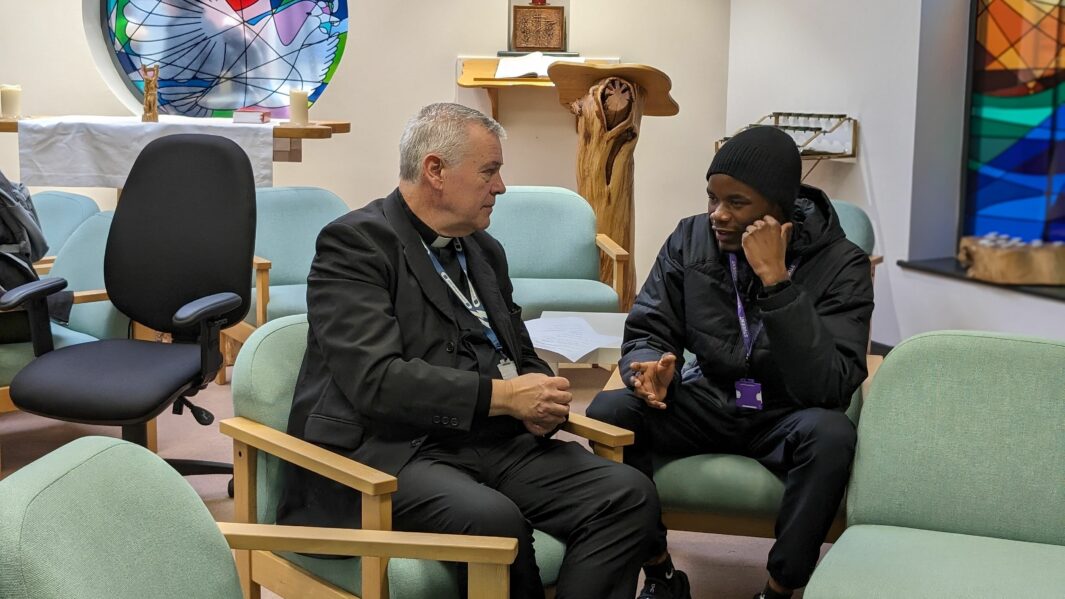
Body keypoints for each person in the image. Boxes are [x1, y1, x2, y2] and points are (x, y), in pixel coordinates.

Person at [276, 102, 660, 599]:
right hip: (392, 451)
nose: (501, 187)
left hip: (492, 439)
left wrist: (541, 393)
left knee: (628, 495)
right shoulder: (355, 245)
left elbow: (518, 349)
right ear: (435, 170)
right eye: (489, 171)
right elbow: (377, 381)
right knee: (491, 520)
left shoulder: (482, 248)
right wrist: (505, 397)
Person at [587, 126, 874, 599]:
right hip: (712, 397)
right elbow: (649, 325)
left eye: (736, 202)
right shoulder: (690, 238)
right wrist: (649, 368)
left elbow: (832, 385)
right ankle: (659, 572)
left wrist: (777, 283)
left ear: (780, 207)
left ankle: (779, 589)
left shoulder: (843, 264)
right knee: (610, 411)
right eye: (712, 198)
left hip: (786, 411)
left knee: (832, 435)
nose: (717, 214)